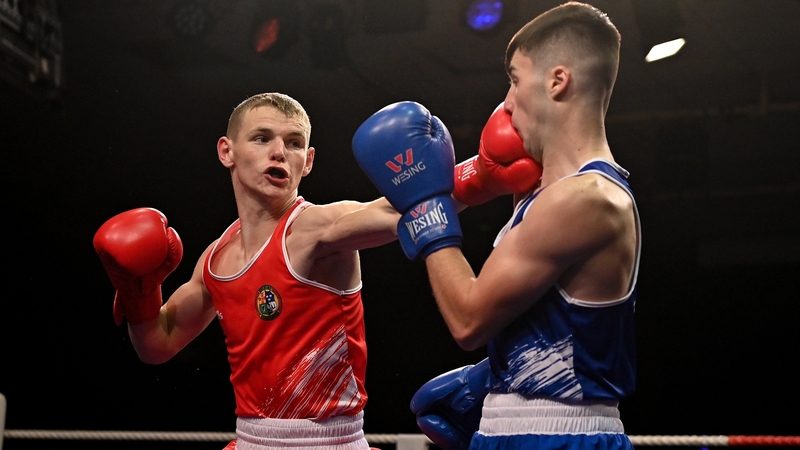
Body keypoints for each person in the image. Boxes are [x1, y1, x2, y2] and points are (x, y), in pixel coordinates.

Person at [357, 2, 640, 450]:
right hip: (514, 428)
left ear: (557, 81)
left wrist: (429, 212)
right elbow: (398, 208)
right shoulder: (541, 185)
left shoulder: (586, 198)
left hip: (559, 438)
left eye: (515, 79)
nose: (507, 101)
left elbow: (468, 320)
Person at [93, 92, 417, 450]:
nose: (279, 152)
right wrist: (138, 289)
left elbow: (400, 210)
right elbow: (158, 344)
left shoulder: (315, 227)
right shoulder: (216, 258)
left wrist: (461, 176)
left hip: (329, 443)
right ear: (226, 151)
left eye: (293, 143)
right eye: (262, 138)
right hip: (251, 441)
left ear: (307, 161)